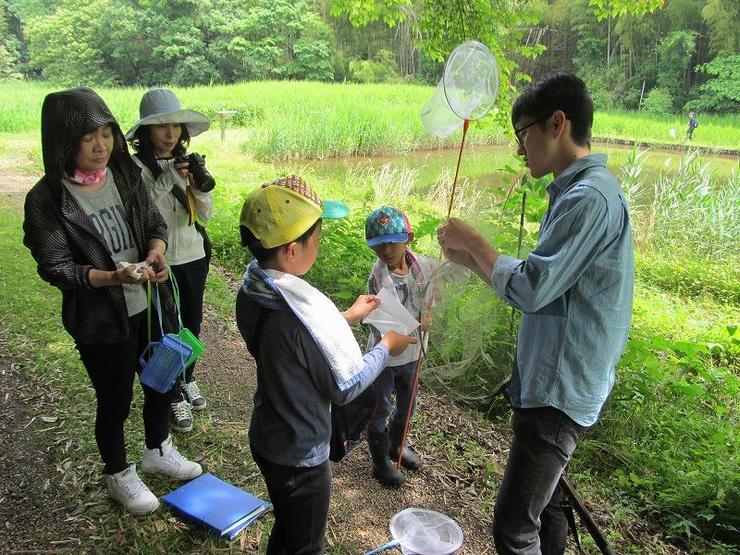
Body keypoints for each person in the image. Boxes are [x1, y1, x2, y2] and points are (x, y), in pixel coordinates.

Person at [436, 74, 634, 554]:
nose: (519, 150)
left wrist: (477, 243)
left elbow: (531, 286)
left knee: (513, 526)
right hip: (554, 383)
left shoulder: (589, 199)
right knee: (547, 509)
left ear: (557, 123)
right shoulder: (576, 192)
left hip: (558, 393)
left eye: (522, 133)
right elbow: (545, 289)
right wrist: (470, 261)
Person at [23, 87, 202, 516]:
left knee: (162, 380)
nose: (101, 145)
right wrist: (109, 276)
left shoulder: (124, 176)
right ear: (64, 141)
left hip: (152, 304)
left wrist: (156, 252)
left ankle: (158, 448)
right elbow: (55, 266)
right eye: (88, 137)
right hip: (103, 318)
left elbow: (154, 222)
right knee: (115, 398)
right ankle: (118, 472)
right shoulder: (47, 199)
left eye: (106, 133)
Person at [236, 176, 416, 554]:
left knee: (288, 527)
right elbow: (346, 385)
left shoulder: (254, 288)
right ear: (290, 251)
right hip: (300, 455)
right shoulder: (299, 318)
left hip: (268, 433)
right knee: (307, 543)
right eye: (316, 236)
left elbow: (295, 343)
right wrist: (386, 345)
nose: (319, 241)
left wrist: (345, 317)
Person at [126, 88, 214, 433]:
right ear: (146, 131)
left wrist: (199, 187)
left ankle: (187, 377)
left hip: (193, 255)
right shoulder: (135, 167)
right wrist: (171, 178)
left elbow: (204, 214)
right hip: (161, 261)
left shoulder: (188, 163)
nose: (170, 134)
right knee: (164, 329)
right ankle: (173, 392)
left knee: (192, 322)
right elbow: (142, 208)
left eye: (176, 126)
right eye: (161, 127)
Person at [363, 206, 439, 487]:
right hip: (385, 356)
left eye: (392, 242)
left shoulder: (425, 267)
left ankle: (398, 445)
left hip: (414, 353)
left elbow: (436, 294)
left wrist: (430, 311)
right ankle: (380, 460)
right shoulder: (379, 274)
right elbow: (375, 315)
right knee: (379, 406)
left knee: (408, 404)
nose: (385, 251)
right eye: (378, 246)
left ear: (408, 238)